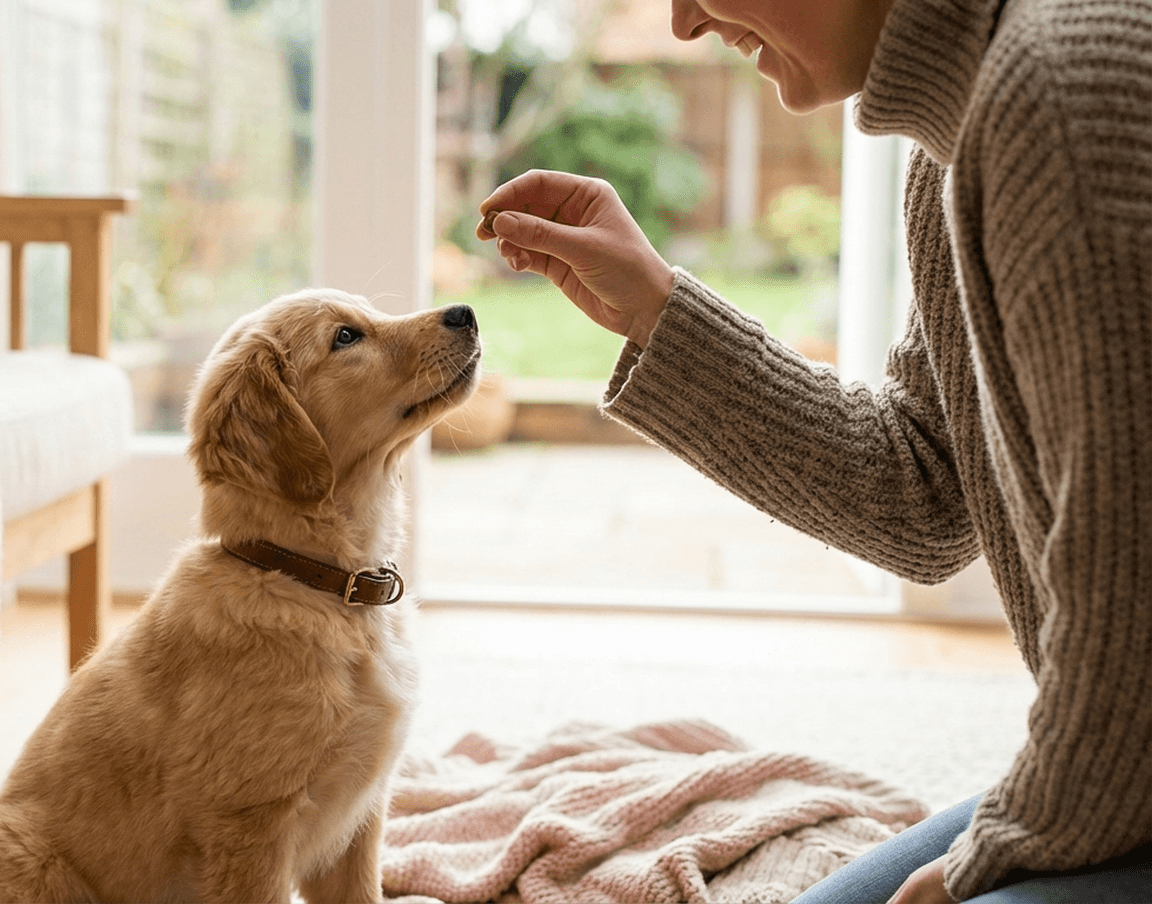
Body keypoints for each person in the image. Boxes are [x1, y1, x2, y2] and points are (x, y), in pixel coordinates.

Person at [476, 0, 1152, 902]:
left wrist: (988, 859)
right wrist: (654, 311)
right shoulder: (957, 137)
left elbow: (1138, 624)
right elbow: (927, 495)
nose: (682, 23)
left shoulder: (1063, 92)